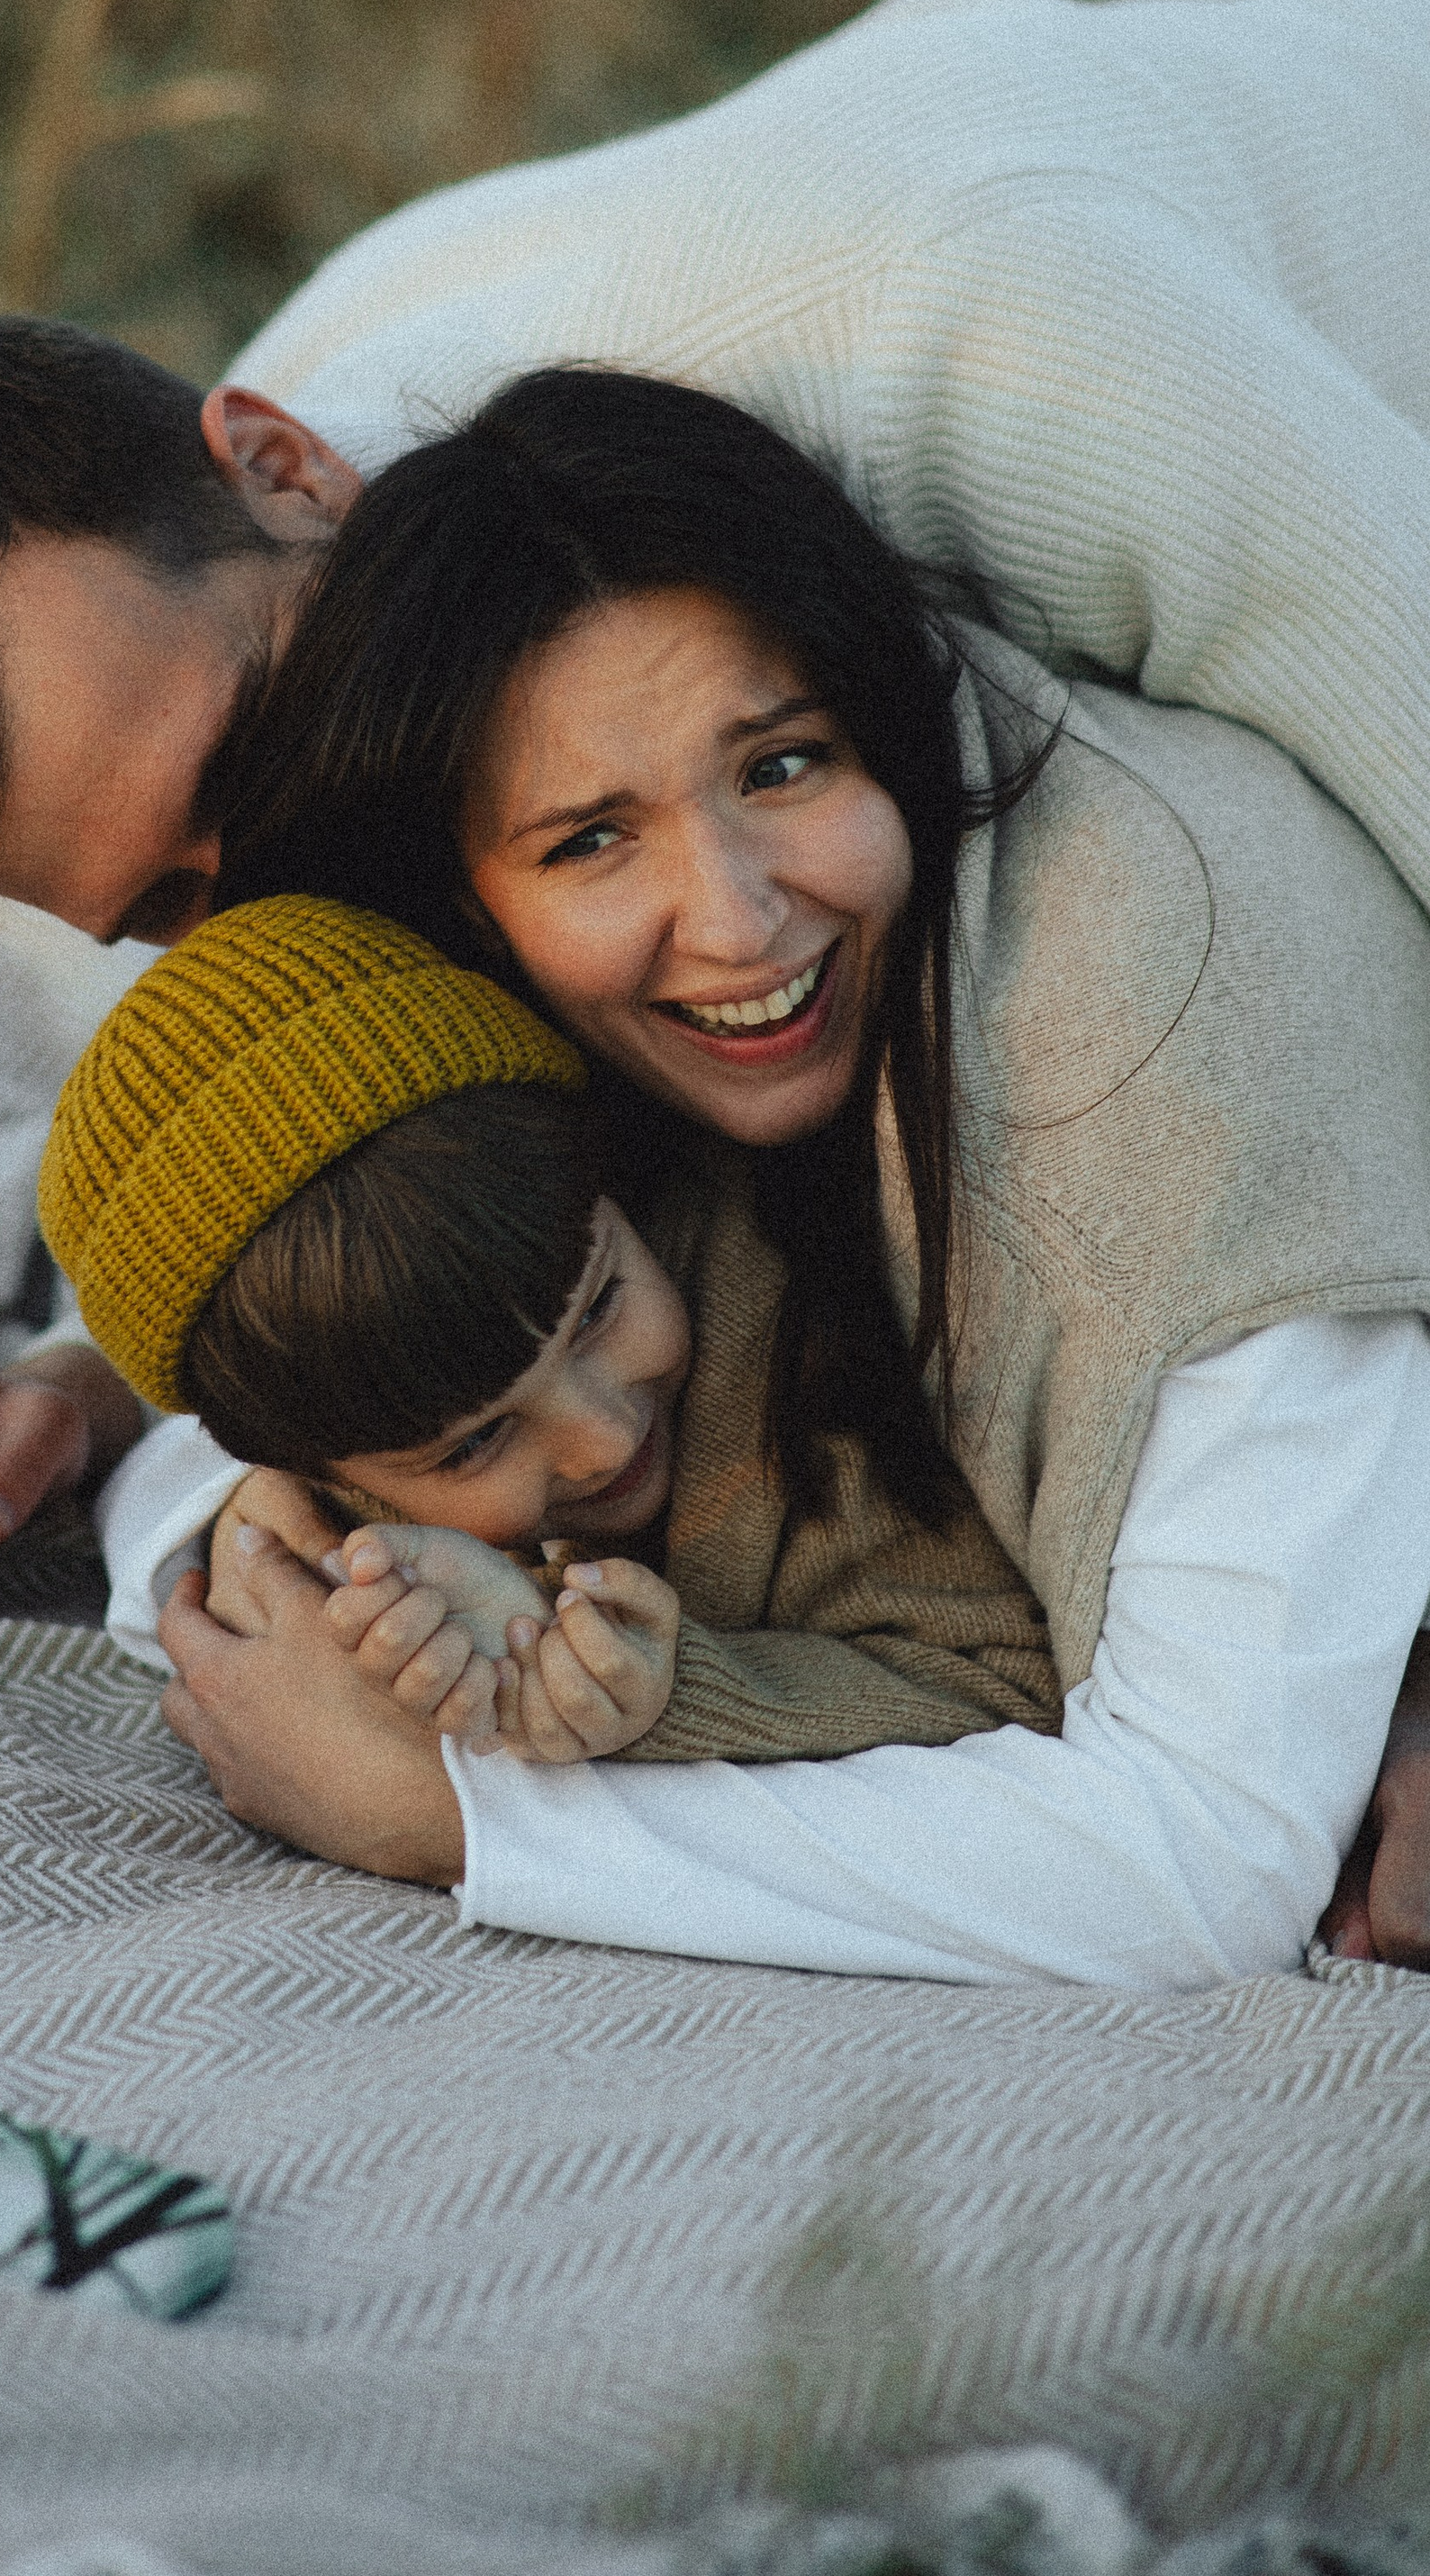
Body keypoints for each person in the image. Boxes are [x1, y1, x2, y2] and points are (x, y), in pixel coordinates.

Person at [0, 0, 1430, 1954]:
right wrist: (111, 1385)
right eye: (170, 906)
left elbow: (1288, 1009)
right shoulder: (280, 626)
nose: (286, 896)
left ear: (282, 467)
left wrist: (1368, 1604)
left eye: (239, 779)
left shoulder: (999, 364)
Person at [117, 367, 1430, 1987]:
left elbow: (1208, 1857)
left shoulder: (1156, 1088)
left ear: (875, 716)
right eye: (589, 839)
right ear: (459, 913)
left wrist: (456, 1817)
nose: (737, 921)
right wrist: (268, 1534)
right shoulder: (544, 1072)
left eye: (786, 766)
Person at [36, 894, 1060, 1768]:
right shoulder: (336, 1475)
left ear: (602, 1168)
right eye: (476, 1442)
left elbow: (1001, 1686)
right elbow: (183, 1531)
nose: (601, 1438)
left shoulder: (800, 1364)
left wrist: (668, 1698)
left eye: (599, 1309)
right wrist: (272, 1550)